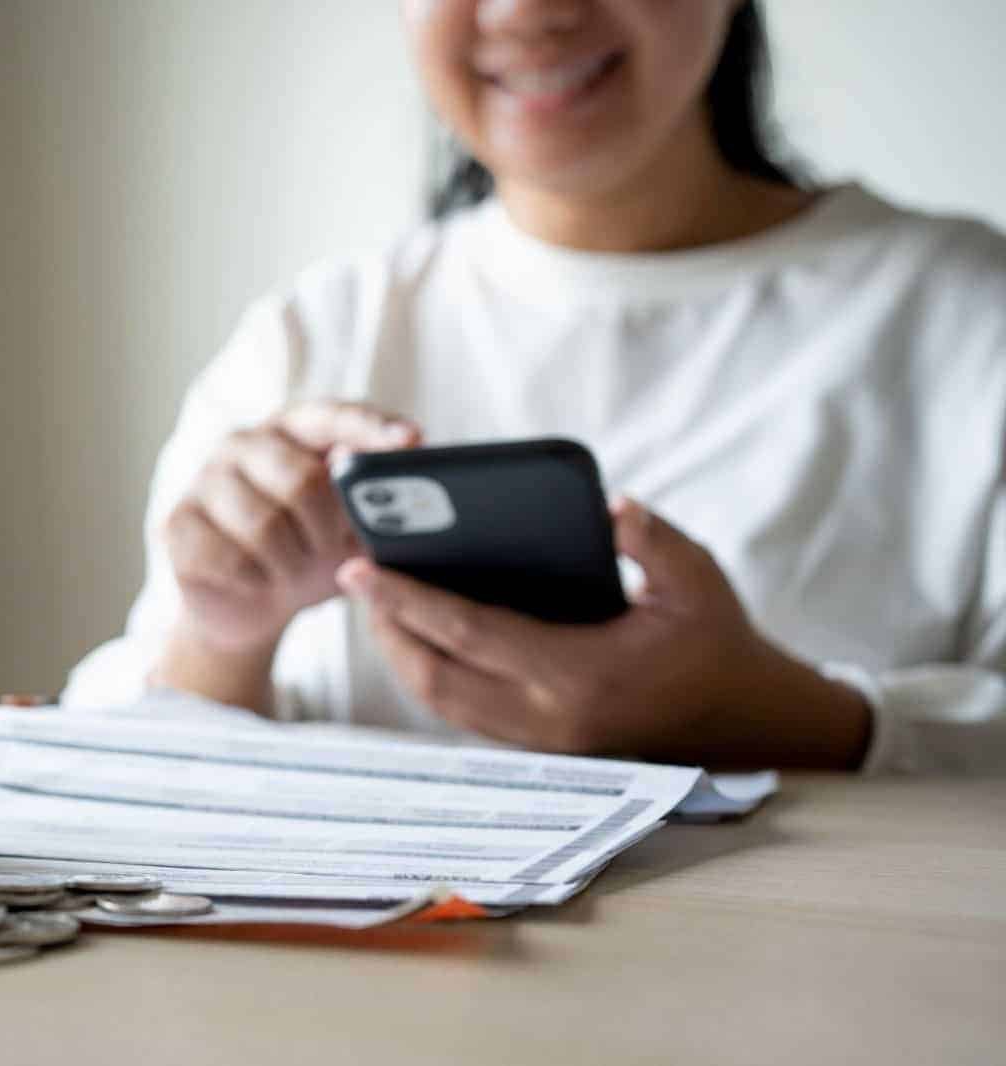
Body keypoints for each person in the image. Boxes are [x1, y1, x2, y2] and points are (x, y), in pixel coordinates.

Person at [63, 0, 1006, 774]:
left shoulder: (968, 320)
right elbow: (118, 766)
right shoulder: (312, 334)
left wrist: (784, 717)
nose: (528, 11)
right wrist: (225, 636)